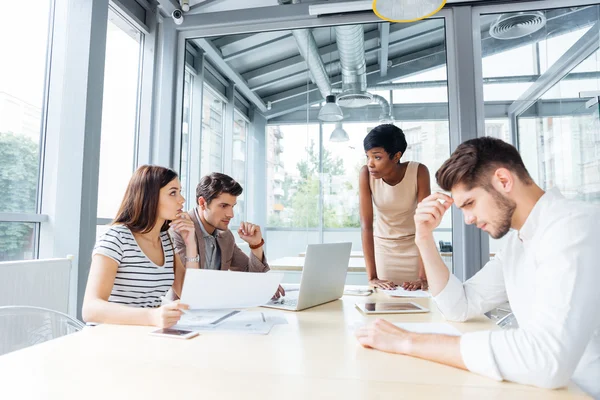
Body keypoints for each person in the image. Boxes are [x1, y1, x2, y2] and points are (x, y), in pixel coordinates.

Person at [355, 137, 600, 397]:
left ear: (503, 181)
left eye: (470, 203)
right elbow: (459, 306)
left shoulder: (573, 227)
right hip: (550, 389)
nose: (469, 219)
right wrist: (424, 238)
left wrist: (408, 341)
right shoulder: (519, 243)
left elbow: (548, 359)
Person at [82, 165, 199, 328]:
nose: (182, 199)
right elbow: (90, 309)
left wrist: (190, 244)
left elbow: (190, 296)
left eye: (179, 191)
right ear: (149, 197)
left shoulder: (165, 239)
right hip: (107, 337)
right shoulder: (116, 237)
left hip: (143, 336)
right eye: (173, 193)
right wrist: (152, 317)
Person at [170, 172, 285, 299]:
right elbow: (186, 289)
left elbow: (251, 275)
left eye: (232, 206)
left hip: (217, 310)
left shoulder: (225, 236)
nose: (231, 214)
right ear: (202, 203)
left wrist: (255, 244)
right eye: (223, 206)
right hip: (183, 314)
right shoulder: (179, 230)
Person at [359, 124, 431, 291]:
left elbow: (424, 224)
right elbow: (366, 226)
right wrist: (372, 277)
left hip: (416, 249)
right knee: (384, 304)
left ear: (396, 155)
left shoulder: (419, 172)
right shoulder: (365, 175)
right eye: (367, 156)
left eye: (377, 157)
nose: (370, 164)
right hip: (384, 251)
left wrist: (423, 276)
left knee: (419, 306)